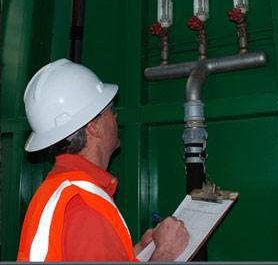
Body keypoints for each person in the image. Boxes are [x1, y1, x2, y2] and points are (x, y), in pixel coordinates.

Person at [17, 59, 190, 261]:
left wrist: (138, 252)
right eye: (110, 109)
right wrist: (166, 252)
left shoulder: (55, 190)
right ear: (94, 127)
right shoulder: (85, 206)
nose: (115, 116)